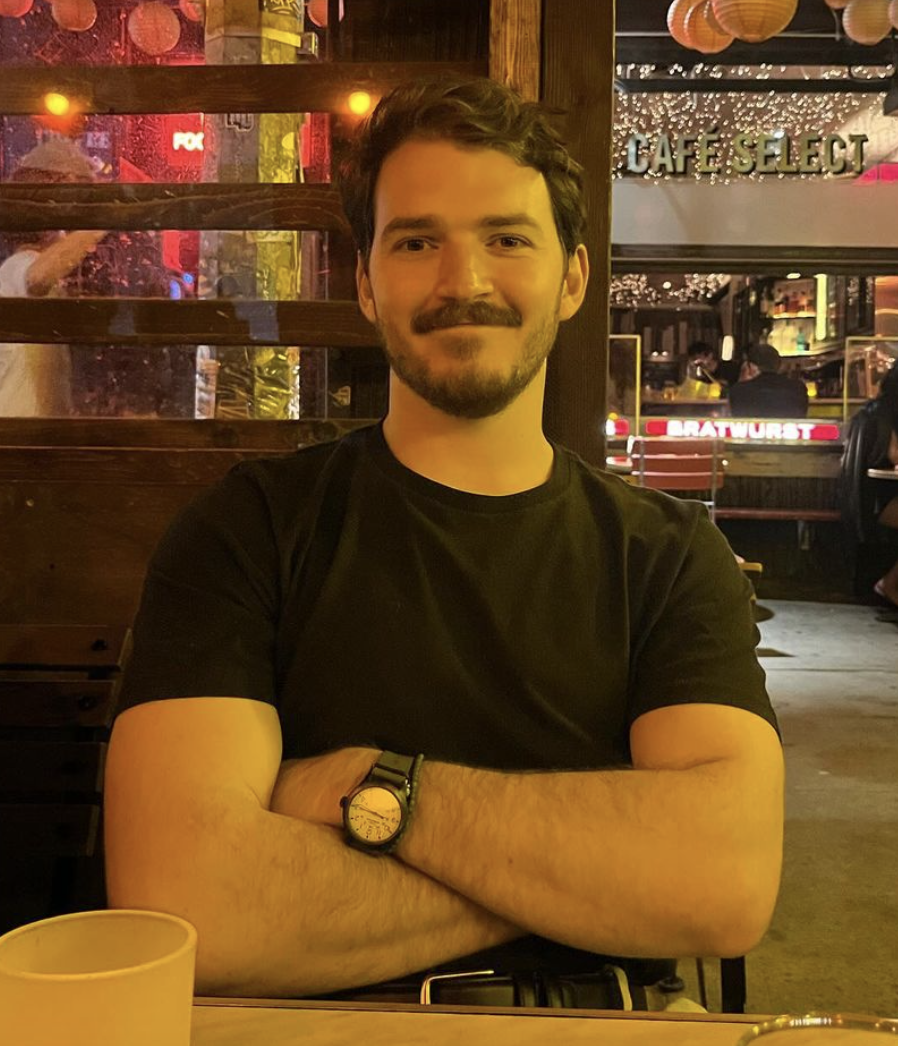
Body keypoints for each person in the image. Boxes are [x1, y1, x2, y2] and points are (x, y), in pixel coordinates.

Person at [104, 76, 783, 1006]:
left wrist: (376, 791)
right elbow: (190, 905)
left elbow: (723, 881)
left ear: (572, 278)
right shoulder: (246, 530)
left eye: (508, 239)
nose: (463, 283)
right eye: (417, 242)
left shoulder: (667, 556)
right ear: (366, 283)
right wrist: (584, 881)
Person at [0, 138, 106, 416]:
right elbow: (36, 277)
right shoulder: (16, 267)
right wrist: (103, 220)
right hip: (21, 435)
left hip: (34, 434)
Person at [840, 359, 898, 606]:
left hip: (868, 500)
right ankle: (889, 584)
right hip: (876, 504)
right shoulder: (886, 412)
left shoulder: (875, 409)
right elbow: (895, 456)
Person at [727, 343, 808, 419]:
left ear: (752, 367)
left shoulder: (738, 391)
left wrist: (742, 380)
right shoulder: (798, 388)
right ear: (779, 366)